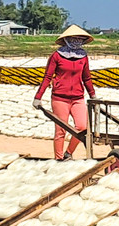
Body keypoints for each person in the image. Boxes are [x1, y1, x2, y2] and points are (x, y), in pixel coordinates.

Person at [34, 24, 97, 160]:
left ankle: (68, 153)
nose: (77, 41)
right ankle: (59, 159)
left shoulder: (83, 57)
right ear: (67, 39)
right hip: (60, 98)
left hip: (78, 97)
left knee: (82, 127)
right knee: (60, 130)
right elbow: (47, 77)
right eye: (74, 39)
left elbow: (86, 78)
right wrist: (38, 97)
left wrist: (93, 95)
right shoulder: (57, 56)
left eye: (79, 39)